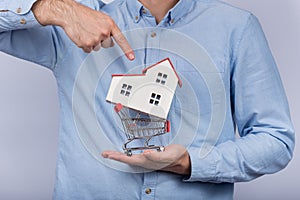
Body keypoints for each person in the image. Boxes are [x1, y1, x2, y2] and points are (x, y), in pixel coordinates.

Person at [0, 0, 295, 199]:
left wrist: (191, 163)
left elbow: (275, 140)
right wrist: (53, 8)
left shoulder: (236, 28)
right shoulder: (75, 21)